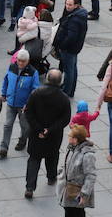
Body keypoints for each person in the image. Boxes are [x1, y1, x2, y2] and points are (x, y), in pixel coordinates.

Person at [23, 69, 71, 199]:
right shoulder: (64, 98)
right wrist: (49, 130)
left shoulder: (36, 93)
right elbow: (65, 119)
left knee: (34, 159)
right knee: (52, 156)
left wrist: (39, 129)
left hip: (36, 134)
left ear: (47, 79)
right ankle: (51, 177)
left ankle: (30, 187)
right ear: (60, 81)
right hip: (53, 136)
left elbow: (28, 112)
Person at [0, 49, 39, 158]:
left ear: (28, 61)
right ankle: (4, 148)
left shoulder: (33, 72)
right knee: (7, 125)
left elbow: (35, 90)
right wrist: (4, 93)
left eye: (23, 61)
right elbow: (6, 80)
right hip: (11, 103)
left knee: (25, 127)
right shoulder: (12, 67)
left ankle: (22, 141)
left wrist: (29, 104)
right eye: (19, 60)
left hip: (24, 106)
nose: (20, 63)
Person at [57, 125, 97, 216]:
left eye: (70, 136)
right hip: (67, 189)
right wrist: (60, 175)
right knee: (68, 211)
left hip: (76, 191)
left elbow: (91, 176)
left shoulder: (87, 155)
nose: (68, 137)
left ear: (76, 139)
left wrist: (84, 194)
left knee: (77, 213)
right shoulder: (71, 148)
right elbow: (64, 163)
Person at [54, 0, 88, 97]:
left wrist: (62, 45)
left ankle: (66, 91)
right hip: (74, 48)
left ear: (76, 5)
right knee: (72, 68)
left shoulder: (74, 19)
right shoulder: (78, 15)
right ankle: (70, 89)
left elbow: (71, 36)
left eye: (70, 5)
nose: (67, 6)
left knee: (69, 70)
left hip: (69, 48)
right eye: (66, 4)